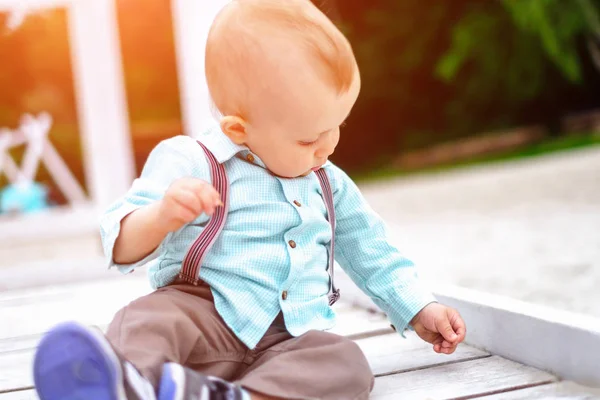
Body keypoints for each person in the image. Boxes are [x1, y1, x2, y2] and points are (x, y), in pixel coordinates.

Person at [32, 1, 466, 399]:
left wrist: (418, 307)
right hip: (203, 318)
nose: (328, 147)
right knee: (145, 321)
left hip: (289, 338)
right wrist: (163, 215)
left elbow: (372, 250)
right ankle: (121, 380)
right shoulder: (191, 160)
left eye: (338, 125)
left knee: (346, 363)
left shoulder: (328, 182)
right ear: (238, 129)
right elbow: (117, 241)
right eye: (309, 137)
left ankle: (231, 396)